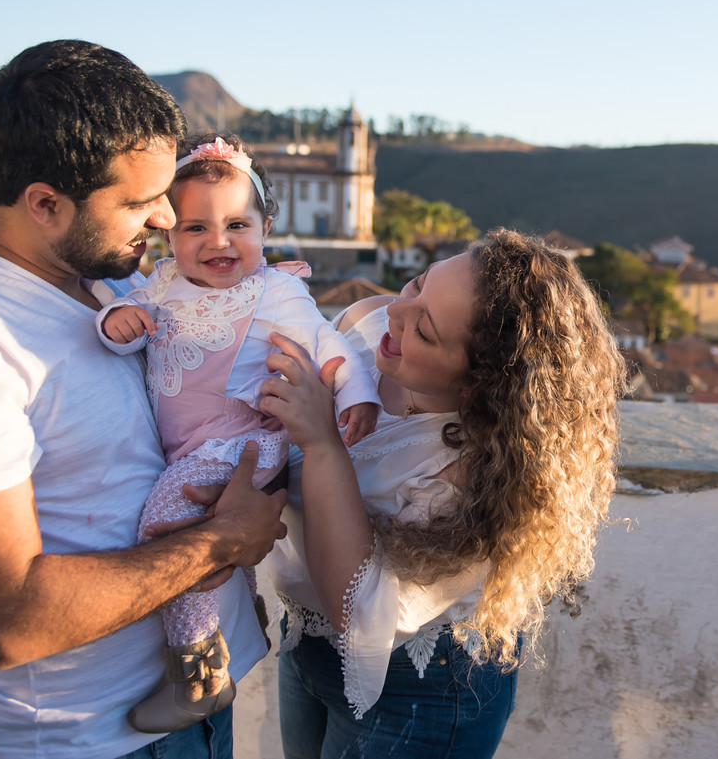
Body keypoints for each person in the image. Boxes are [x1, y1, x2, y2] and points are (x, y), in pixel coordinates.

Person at [0, 40, 287, 759]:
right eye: (140, 201)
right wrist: (223, 542)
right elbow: (6, 620)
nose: (163, 219)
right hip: (86, 741)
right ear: (46, 203)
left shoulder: (112, 281)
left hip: (198, 700)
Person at [257, 229, 625, 759]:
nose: (396, 314)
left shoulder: (483, 471)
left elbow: (362, 616)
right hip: (305, 644)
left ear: (477, 386)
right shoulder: (363, 328)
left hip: (420, 691)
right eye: (415, 285)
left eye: (424, 331)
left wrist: (323, 444)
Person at [96, 132, 379, 732]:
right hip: (189, 447)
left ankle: (197, 675)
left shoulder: (275, 290)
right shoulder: (163, 283)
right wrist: (114, 322)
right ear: (168, 232)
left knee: (168, 522)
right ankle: (240, 616)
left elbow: (328, 344)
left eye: (236, 225)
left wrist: (358, 393)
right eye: (195, 228)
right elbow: (123, 317)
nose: (218, 242)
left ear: (265, 225)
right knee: (215, 533)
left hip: (241, 443)